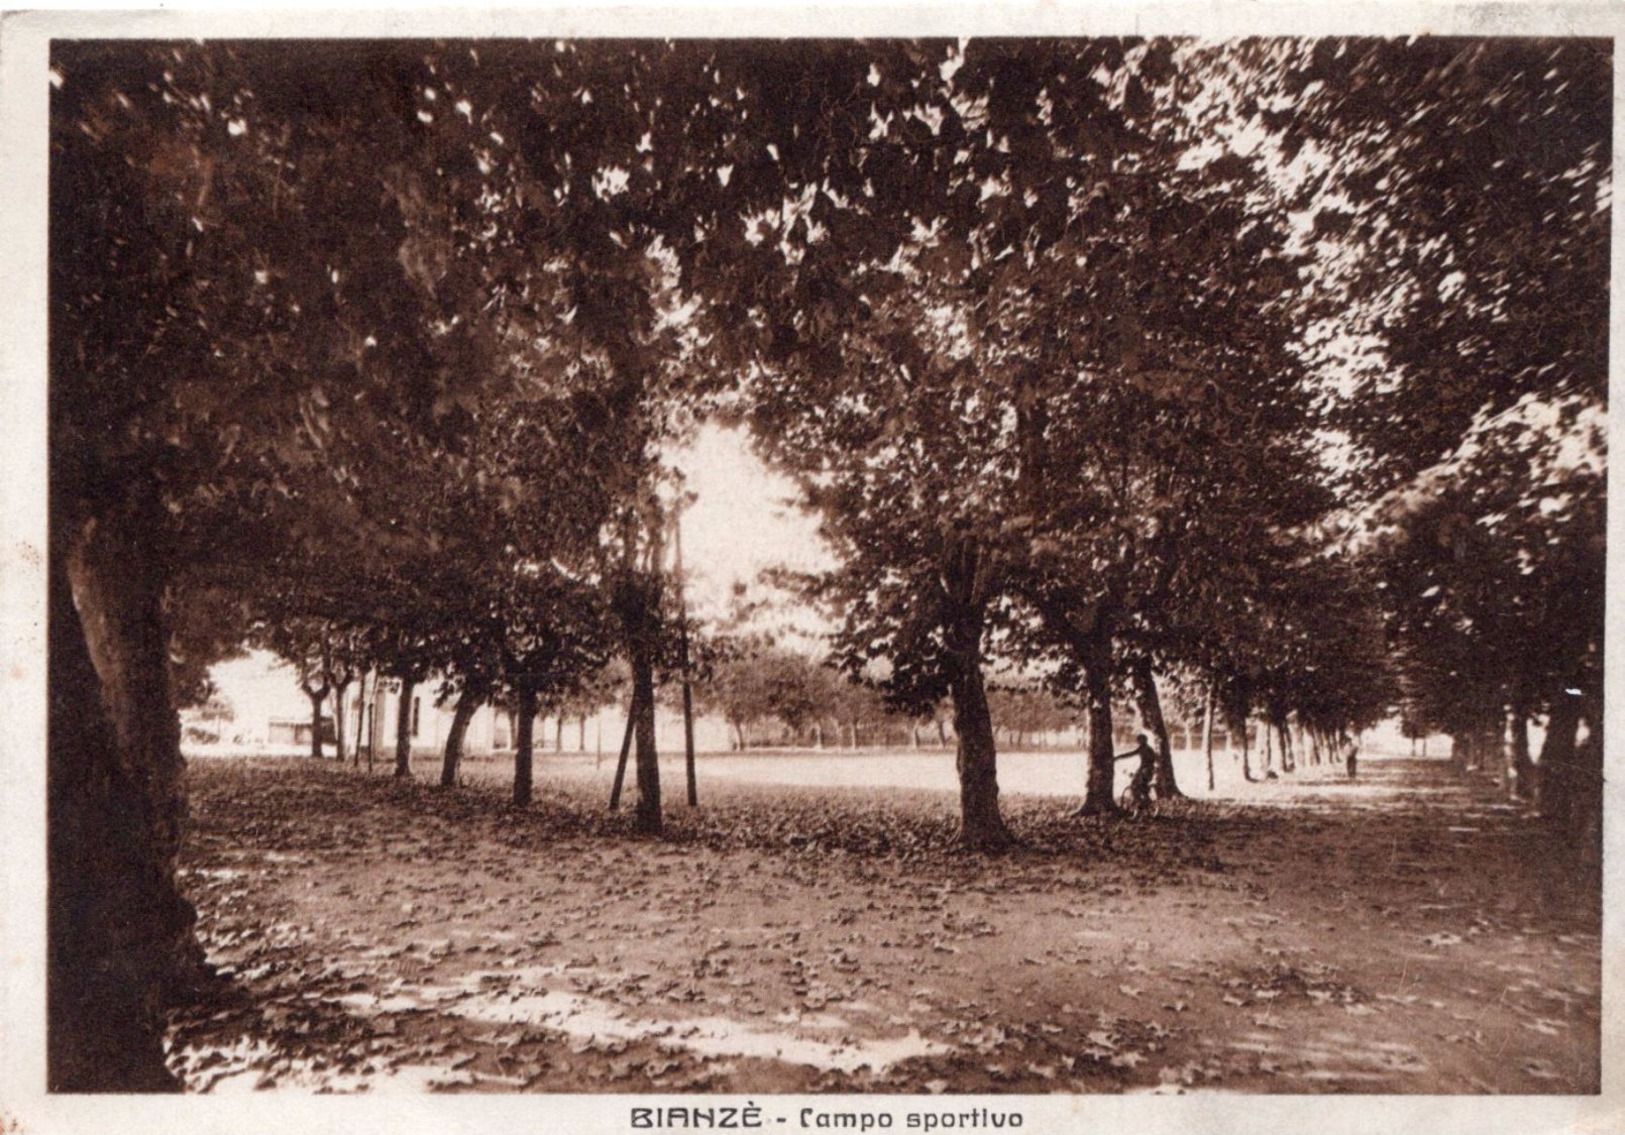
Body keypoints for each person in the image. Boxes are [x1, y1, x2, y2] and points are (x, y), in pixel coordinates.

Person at [1117, 731, 1157, 812]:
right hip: (1148, 771)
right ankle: (1145, 802)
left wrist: (1118, 757)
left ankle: (1142, 802)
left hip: (1145, 771)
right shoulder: (1149, 749)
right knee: (1141, 787)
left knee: (1135, 786)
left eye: (1139, 741)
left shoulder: (1143, 749)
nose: (1138, 743)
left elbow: (1131, 754)